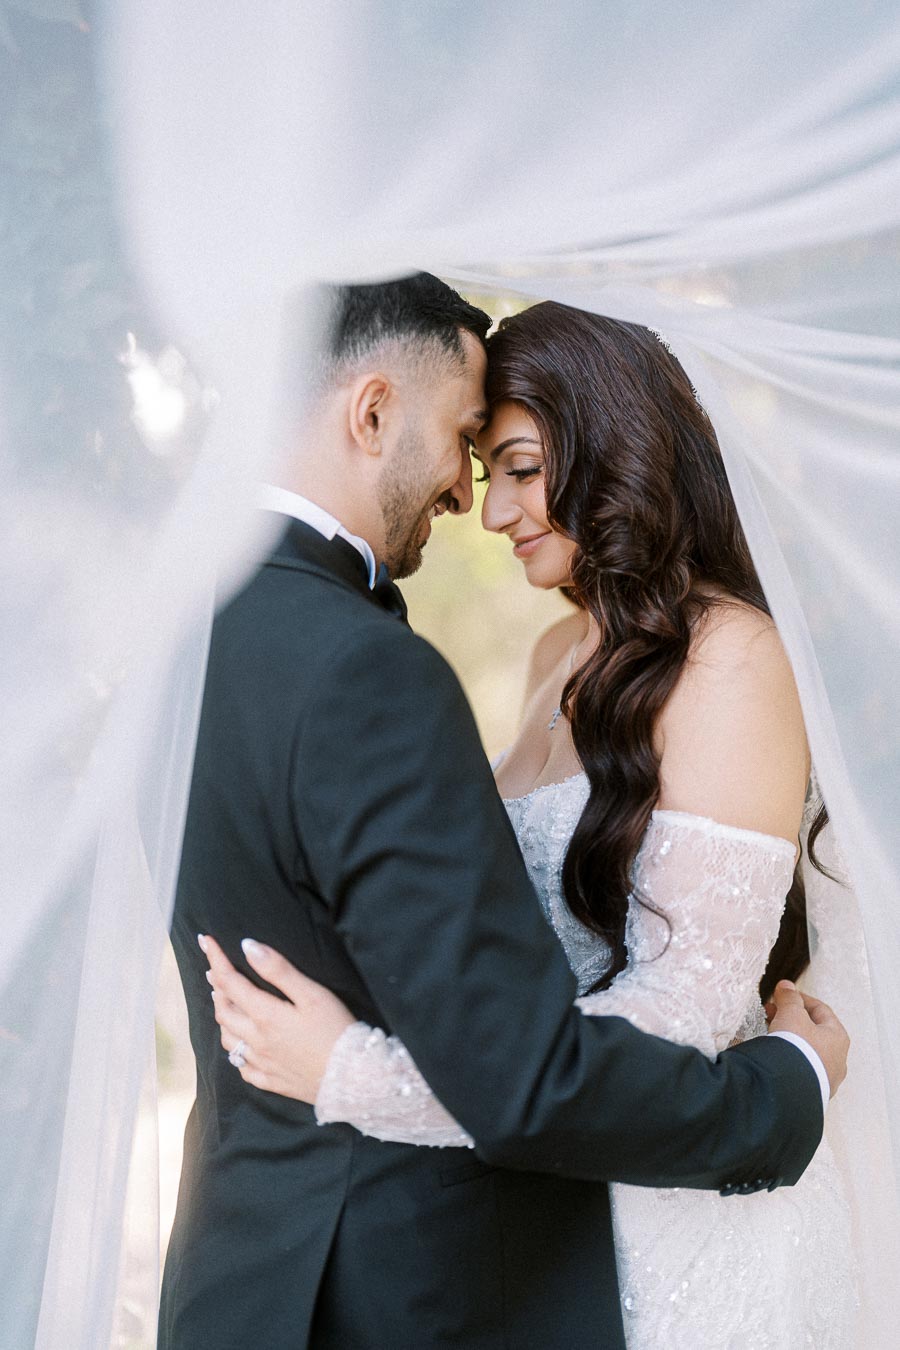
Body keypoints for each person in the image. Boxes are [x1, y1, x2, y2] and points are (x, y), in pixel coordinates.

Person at [167, 277, 848, 1350]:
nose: (487, 508)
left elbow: (681, 1013)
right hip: (532, 1219)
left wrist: (359, 1077)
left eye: (523, 471)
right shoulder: (544, 656)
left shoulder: (731, 662)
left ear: (620, 449)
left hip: (659, 1217)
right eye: (486, 468)